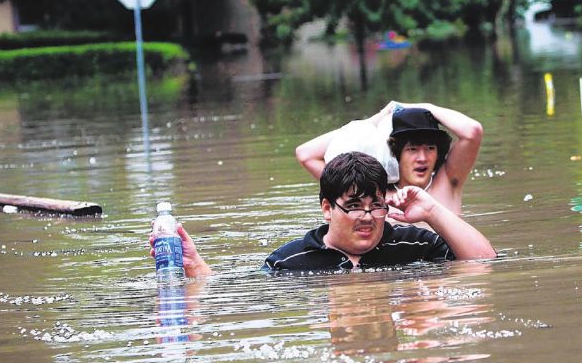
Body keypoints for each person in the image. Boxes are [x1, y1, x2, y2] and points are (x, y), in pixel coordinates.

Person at [155, 151, 496, 278]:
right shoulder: (291, 261)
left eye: (375, 206)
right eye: (353, 206)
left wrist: (432, 211)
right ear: (327, 208)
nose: (367, 217)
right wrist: (196, 266)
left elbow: (484, 263)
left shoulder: (410, 244)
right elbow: (237, 293)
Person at [295, 98, 483, 217]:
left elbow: (472, 131)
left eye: (430, 148)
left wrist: (420, 107)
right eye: (412, 150)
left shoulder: (448, 181)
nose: (422, 158)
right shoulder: (369, 193)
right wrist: (375, 121)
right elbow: (306, 154)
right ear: (396, 154)